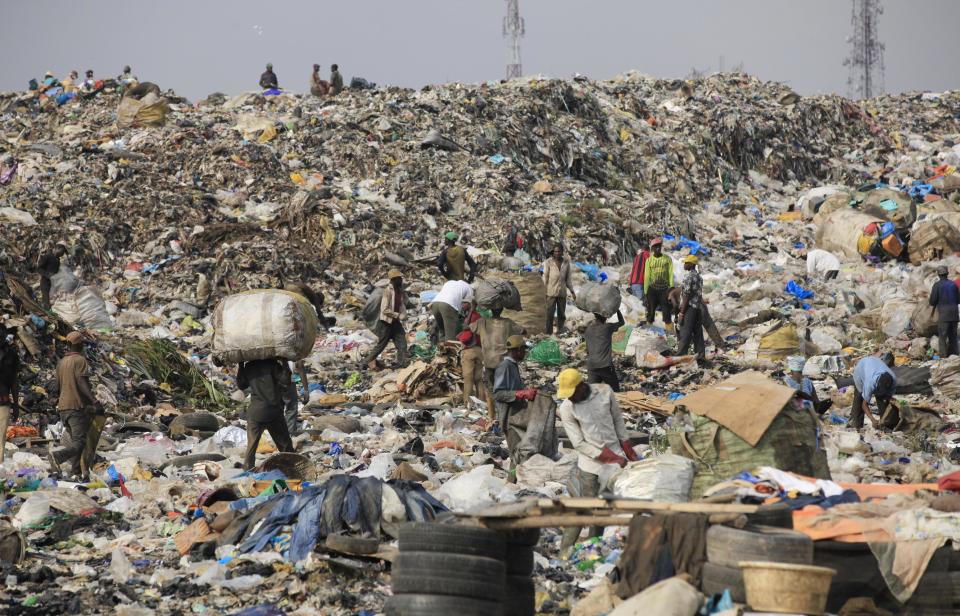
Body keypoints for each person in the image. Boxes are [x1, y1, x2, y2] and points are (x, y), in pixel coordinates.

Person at [556, 369, 638, 550]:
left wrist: (627, 449)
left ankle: (593, 549)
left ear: (581, 386)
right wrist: (611, 457)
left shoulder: (604, 392)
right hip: (591, 466)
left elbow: (618, 420)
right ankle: (564, 551)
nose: (569, 398)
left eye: (572, 393)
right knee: (582, 510)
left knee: (602, 511)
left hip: (614, 463)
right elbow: (578, 443)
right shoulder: (567, 408)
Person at [49, 332, 98, 477]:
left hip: (63, 407)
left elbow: (56, 387)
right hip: (76, 406)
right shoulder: (80, 360)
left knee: (76, 441)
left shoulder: (61, 362)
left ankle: (75, 472)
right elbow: (82, 382)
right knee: (80, 442)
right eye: (82, 343)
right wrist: (94, 401)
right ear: (79, 344)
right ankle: (58, 457)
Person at [237, 358, 295, 469]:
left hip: (255, 412)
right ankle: (292, 468)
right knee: (285, 445)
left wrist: (241, 365)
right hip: (272, 411)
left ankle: (247, 471)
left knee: (251, 447)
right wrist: (284, 362)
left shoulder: (249, 366)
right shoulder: (272, 365)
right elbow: (286, 381)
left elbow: (241, 385)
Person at [471, 307, 525, 424]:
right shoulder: (508, 323)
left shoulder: (482, 322)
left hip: (489, 362)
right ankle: (506, 418)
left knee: (491, 391)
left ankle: (492, 418)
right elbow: (522, 331)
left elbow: (468, 327)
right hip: (504, 363)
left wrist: (472, 308)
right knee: (506, 391)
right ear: (501, 309)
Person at [363, 269, 408, 370]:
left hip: (395, 323)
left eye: (401, 278)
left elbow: (401, 304)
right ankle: (365, 362)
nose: (401, 280)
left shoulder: (400, 291)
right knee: (381, 345)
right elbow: (384, 309)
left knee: (402, 344)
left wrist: (403, 314)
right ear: (393, 280)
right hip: (386, 323)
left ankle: (401, 364)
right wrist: (397, 315)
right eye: (399, 279)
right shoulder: (387, 292)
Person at [492, 336, 536, 432]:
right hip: (508, 419)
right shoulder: (505, 367)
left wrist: (526, 391)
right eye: (524, 350)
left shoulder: (513, 365)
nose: (525, 353)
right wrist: (519, 394)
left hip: (516, 417)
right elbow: (498, 394)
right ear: (519, 350)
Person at [851, 353, 897, 430]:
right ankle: (856, 425)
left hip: (874, 363)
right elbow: (864, 405)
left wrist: (887, 416)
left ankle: (884, 424)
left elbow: (888, 399)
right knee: (859, 398)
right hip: (861, 369)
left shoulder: (893, 380)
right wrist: (872, 420)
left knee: (882, 400)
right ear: (876, 385)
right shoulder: (870, 383)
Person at [584, 310, 625, 391]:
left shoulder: (588, 330)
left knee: (592, 393)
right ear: (605, 317)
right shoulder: (607, 327)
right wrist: (617, 310)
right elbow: (622, 322)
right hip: (605, 365)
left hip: (591, 365)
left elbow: (588, 350)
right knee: (615, 390)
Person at [676, 255, 706, 362]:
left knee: (685, 333)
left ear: (692, 264)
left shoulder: (689, 277)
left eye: (686, 263)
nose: (684, 264)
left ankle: (680, 357)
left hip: (689, 308)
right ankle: (701, 357)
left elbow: (686, 295)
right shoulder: (699, 277)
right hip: (697, 308)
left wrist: (682, 313)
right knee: (698, 333)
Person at [457, 301, 485, 409]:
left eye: (464, 303)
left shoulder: (472, 316)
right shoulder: (480, 317)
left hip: (469, 351)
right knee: (479, 379)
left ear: (470, 304)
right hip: (479, 350)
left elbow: (465, 327)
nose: (462, 305)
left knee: (468, 379)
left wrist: (471, 310)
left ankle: (467, 404)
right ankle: (482, 403)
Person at [543, 245, 576, 334]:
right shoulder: (548, 262)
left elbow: (568, 279)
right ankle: (548, 333)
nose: (557, 253)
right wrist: (544, 291)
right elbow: (545, 277)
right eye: (555, 252)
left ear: (562, 252)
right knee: (549, 314)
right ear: (553, 252)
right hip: (551, 293)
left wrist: (572, 291)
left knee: (561, 314)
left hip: (562, 293)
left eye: (559, 251)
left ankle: (560, 331)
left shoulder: (566, 263)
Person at [929, 265, 959, 358]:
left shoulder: (937, 285)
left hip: (944, 315)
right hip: (954, 314)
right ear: (947, 273)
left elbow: (932, 301)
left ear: (938, 274)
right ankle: (955, 356)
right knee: (953, 336)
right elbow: (958, 300)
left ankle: (943, 357)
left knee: (942, 337)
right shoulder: (953, 284)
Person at [0, 324, 20, 463]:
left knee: (0, 439)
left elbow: (14, 381)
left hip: (3, 401)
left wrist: (16, 404)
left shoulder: (12, 355)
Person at [643, 238, 674, 325]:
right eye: (655, 247)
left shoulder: (667, 259)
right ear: (652, 249)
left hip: (664, 289)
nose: (657, 249)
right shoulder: (649, 260)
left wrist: (671, 287)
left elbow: (670, 273)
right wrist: (645, 292)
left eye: (659, 246)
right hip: (652, 289)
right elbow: (647, 276)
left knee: (666, 311)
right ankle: (649, 330)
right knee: (651, 311)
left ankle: (669, 332)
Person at [38, 243, 67, 308]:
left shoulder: (58, 260)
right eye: (62, 252)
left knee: (53, 300)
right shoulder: (47, 256)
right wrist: (47, 275)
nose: (62, 254)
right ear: (57, 248)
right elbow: (39, 268)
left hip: (54, 283)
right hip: (45, 282)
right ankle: (45, 314)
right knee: (46, 299)